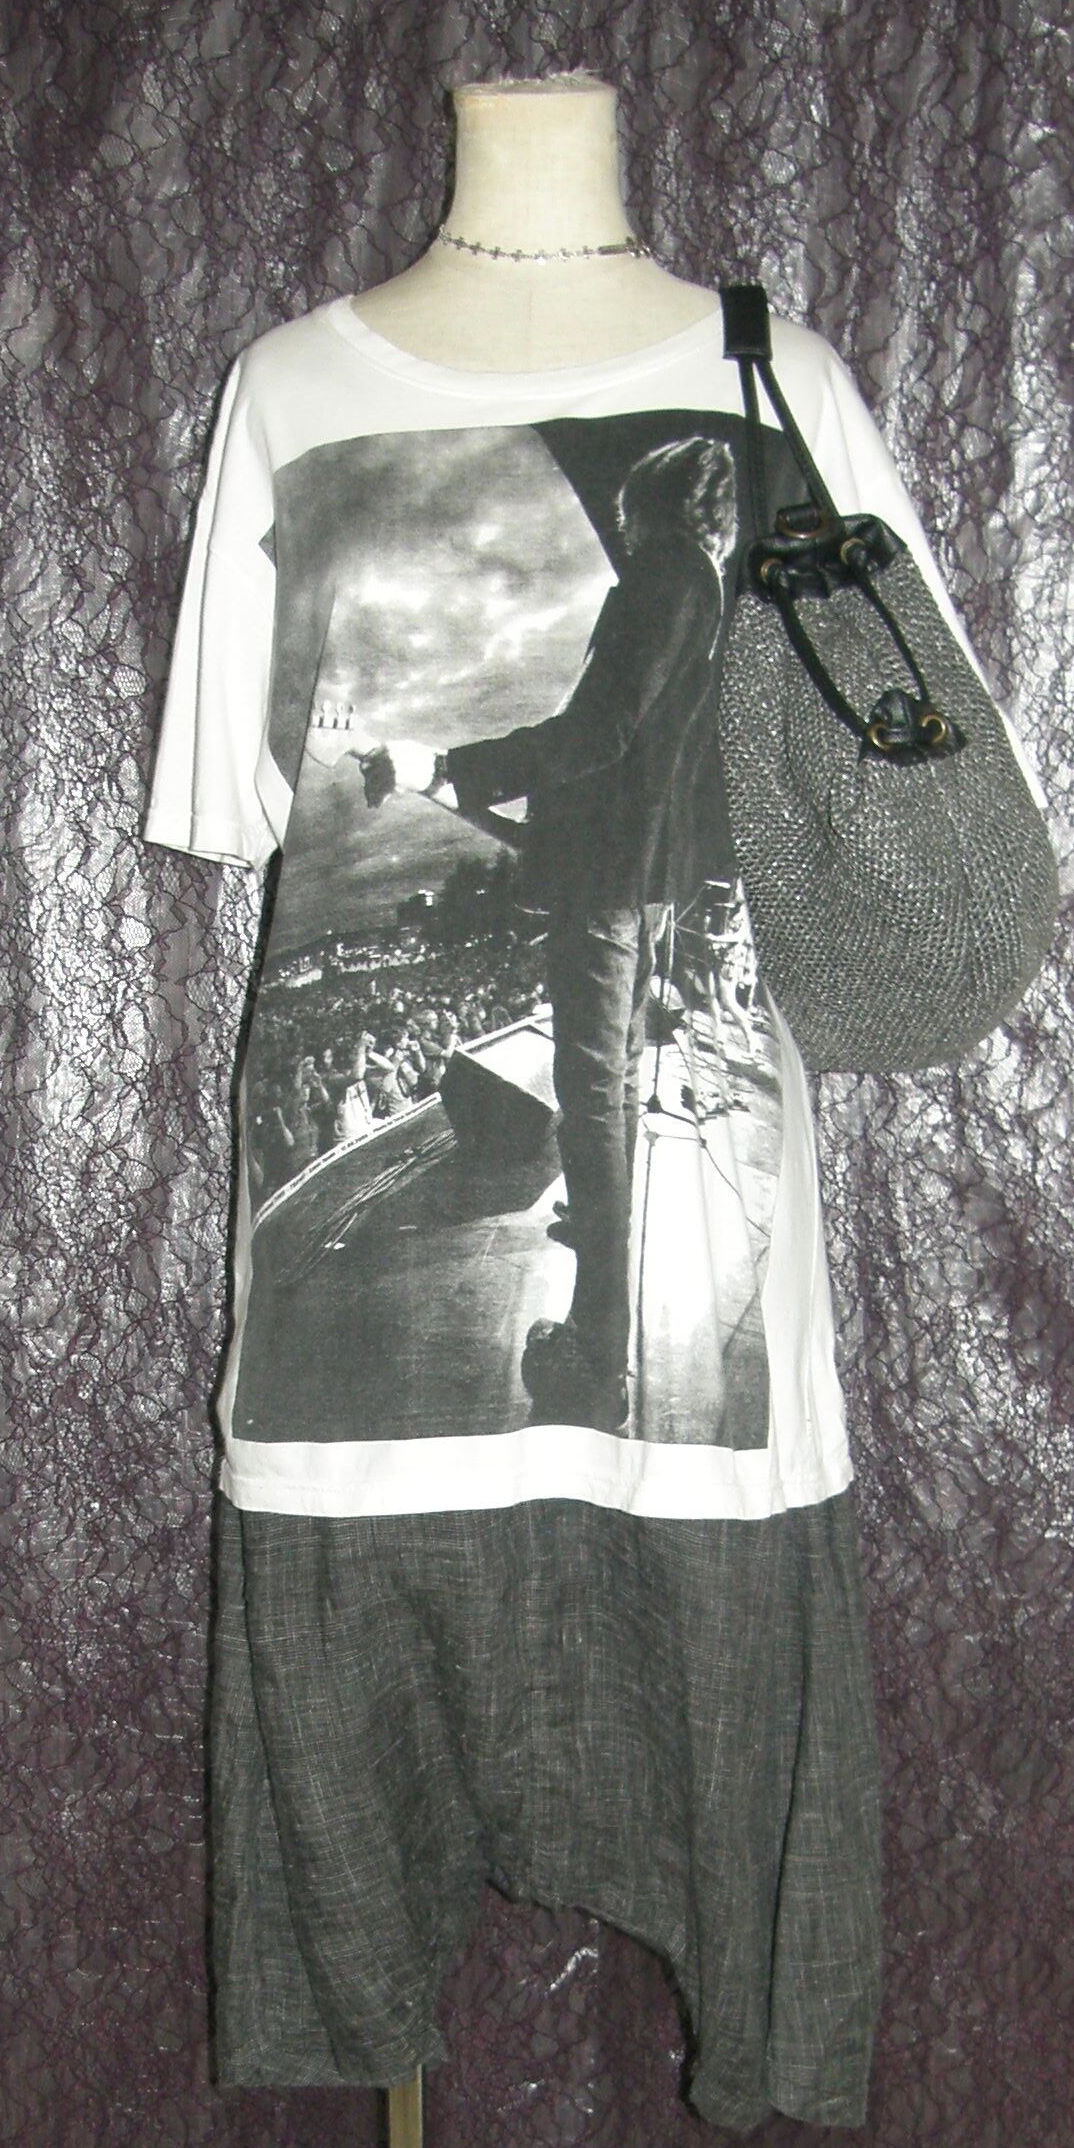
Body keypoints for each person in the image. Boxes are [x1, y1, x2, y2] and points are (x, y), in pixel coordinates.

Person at [379, 431, 737, 1428]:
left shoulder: (664, 578)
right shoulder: (703, 587)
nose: (620, 528)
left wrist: (455, 766)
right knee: (610, 1085)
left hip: (608, 875)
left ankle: (598, 1356)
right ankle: (601, 1238)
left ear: (648, 508)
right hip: (644, 870)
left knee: (591, 1098)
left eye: (626, 514)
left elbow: (600, 731)